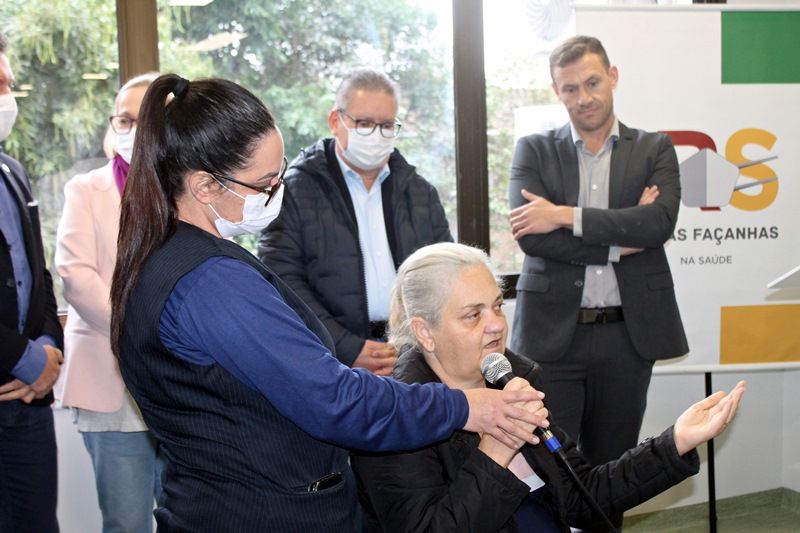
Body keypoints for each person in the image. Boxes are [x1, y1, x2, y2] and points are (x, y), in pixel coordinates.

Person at [109, 73, 546, 532]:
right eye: (264, 184)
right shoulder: (212, 282)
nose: (275, 194)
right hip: (261, 513)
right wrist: (466, 407)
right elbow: (334, 399)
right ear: (204, 185)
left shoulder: (168, 252)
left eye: (279, 176)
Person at [352, 242, 745, 533]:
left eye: (497, 305)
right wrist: (498, 448)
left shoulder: (514, 377)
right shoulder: (391, 417)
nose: (496, 324)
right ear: (425, 332)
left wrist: (675, 442)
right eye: (473, 315)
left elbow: (581, 494)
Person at [508, 36, 689, 473]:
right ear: (556, 91)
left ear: (613, 77)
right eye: (570, 88)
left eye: (592, 83)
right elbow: (533, 239)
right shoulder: (533, 149)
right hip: (553, 335)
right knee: (550, 468)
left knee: (613, 467)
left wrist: (562, 215)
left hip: (627, 337)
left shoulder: (654, 148)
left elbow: (657, 225)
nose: (583, 98)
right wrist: (620, 242)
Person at [259, 67, 452, 376]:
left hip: (412, 353)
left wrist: (417, 344)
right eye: (364, 124)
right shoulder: (295, 190)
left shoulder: (419, 191)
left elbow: (445, 273)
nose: (376, 135)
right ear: (336, 121)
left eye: (386, 125)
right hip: (329, 358)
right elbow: (282, 278)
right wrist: (346, 347)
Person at [54, 72, 162, 533]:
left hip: (180, 384)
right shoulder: (85, 189)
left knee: (193, 518)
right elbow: (75, 277)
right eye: (124, 119)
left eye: (144, 120)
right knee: (126, 522)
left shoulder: (189, 188)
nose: (132, 130)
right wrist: (136, 330)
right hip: (110, 382)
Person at [0, 30, 63, 533]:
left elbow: (36, 272)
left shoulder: (12, 171)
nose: (8, 98)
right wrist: (27, 358)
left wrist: (47, 347)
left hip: (29, 399)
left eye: (7, 84)